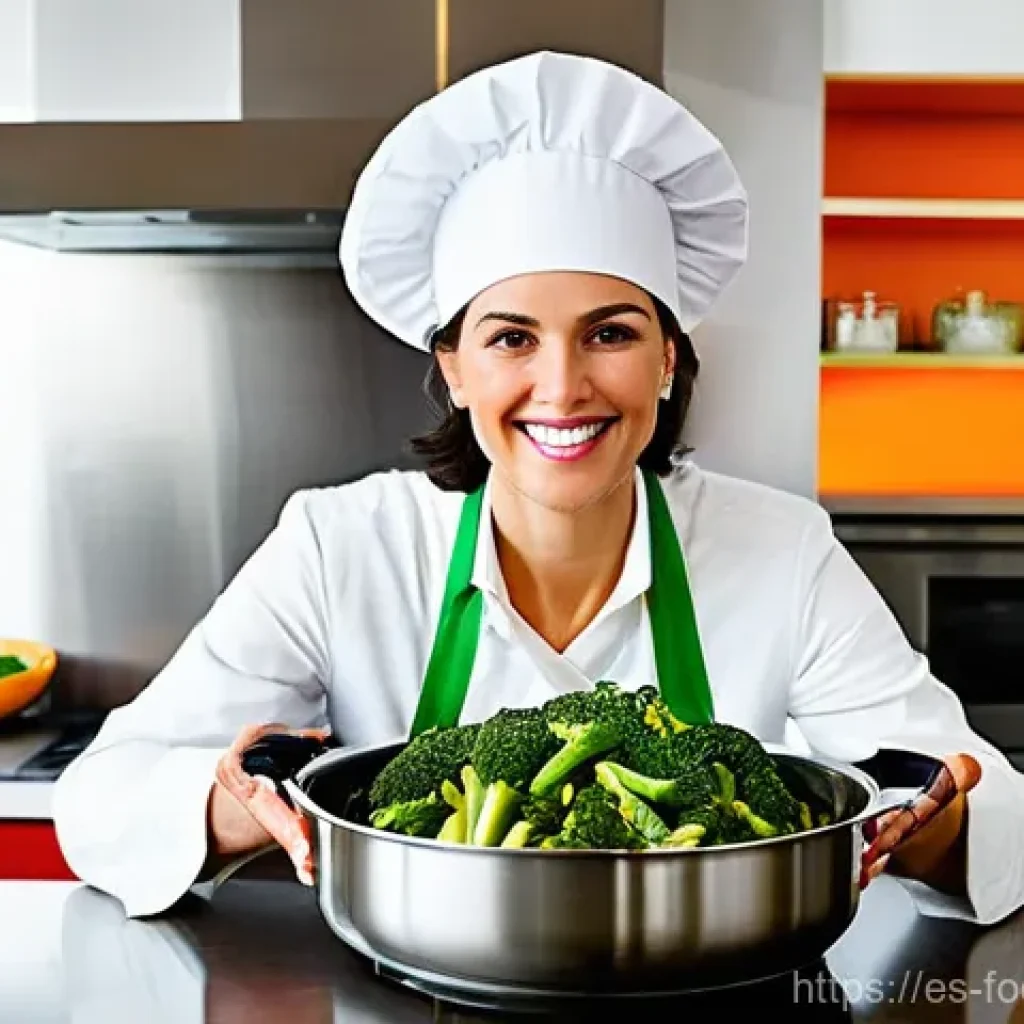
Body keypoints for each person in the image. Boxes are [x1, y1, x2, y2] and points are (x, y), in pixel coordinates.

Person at [52, 50, 1024, 926]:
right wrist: (249, 802)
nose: (562, 385)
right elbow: (99, 803)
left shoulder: (779, 548)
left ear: (668, 362)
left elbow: (998, 817)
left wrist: (918, 826)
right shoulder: (339, 544)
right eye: (512, 337)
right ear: (455, 367)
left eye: (610, 332)